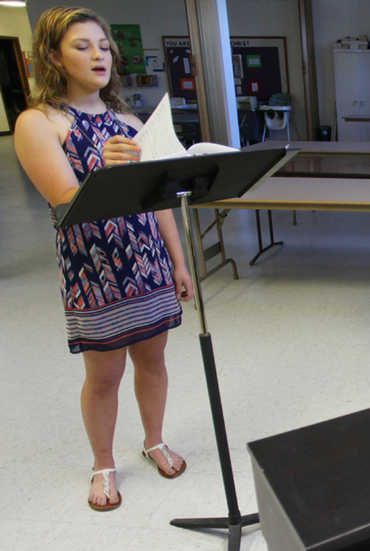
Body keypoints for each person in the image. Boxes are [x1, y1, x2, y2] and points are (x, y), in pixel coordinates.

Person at [14, 7, 193, 512]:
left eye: (103, 45)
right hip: (95, 270)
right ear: (53, 56)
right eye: (81, 46)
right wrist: (107, 171)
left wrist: (179, 263)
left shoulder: (130, 122)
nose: (98, 55)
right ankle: (103, 463)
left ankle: (154, 440)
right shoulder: (41, 122)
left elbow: (155, 200)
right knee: (104, 375)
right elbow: (64, 201)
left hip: (148, 263)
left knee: (153, 361)